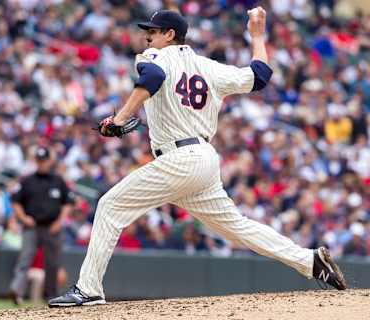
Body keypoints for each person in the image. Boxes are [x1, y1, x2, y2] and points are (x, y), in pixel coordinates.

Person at [48, 7, 347, 307]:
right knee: (237, 226)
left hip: (180, 159)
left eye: (152, 32)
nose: (146, 36)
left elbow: (152, 75)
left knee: (110, 207)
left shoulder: (156, 56)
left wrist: (120, 117)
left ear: (169, 35)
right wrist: (257, 36)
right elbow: (260, 76)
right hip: (202, 160)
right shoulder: (209, 67)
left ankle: (89, 289)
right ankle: (310, 261)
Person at [10, 146, 73, 304]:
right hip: (32, 226)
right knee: (25, 259)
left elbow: (68, 203)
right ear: (35, 161)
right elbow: (16, 202)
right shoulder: (27, 180)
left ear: (49, 161)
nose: (41, 163)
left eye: (44, 160)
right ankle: (17, 292)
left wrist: (59, 222)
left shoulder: (58, 180)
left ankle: (51, 296)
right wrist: (23, 218)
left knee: (52, 262)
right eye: (39, 161)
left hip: (52, 227)